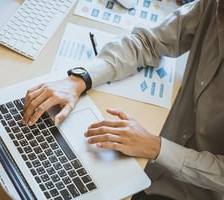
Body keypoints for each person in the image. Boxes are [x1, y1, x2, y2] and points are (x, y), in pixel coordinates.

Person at [22, 0, 224, 199]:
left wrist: (157, 147)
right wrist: (81, 78)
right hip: (148, 151)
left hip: (197, 189)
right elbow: (148, 42)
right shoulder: (212, 5)